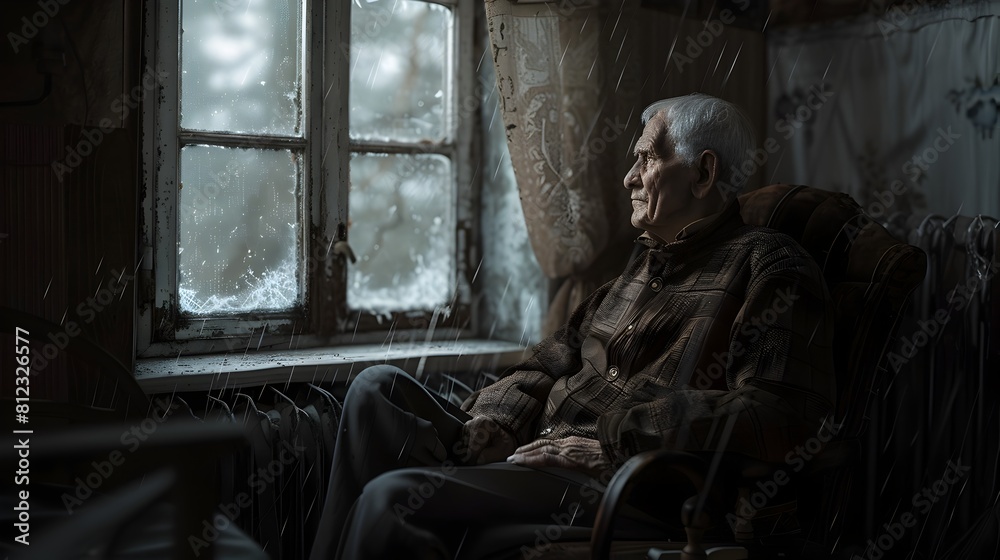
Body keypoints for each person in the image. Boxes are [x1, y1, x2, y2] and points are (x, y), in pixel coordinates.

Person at [308, 93, 837, 560]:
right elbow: (552, 359)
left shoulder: (771, 267)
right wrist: (499, 420)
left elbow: (778, 413)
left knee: (389, 500)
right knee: (376, 389)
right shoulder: (640, 267)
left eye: (647, 158)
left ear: (703, 173)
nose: (629, 176)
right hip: (542, 449)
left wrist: (615, 442)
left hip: (628, 486)